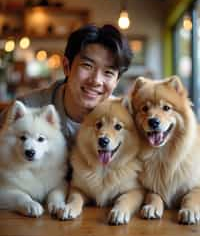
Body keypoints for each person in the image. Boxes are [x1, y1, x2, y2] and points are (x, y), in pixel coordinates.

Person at [1, 24, 133, 148]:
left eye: (108, 72)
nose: (96, 81)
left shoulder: (124, 120)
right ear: (66, 66)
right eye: (87, 66)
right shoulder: (26, 108)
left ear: (116, 81)